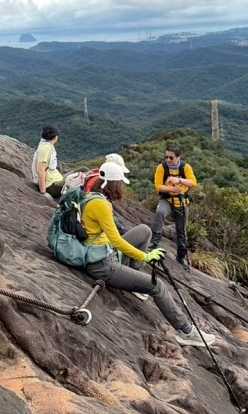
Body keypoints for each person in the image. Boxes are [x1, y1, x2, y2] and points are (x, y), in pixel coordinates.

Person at [81, 161, 217, 348]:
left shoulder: (93, 196)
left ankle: (134, 280)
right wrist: (146, 257)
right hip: (103, 264)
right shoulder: (101, 205)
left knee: (144, 230)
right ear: (114, 184)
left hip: (102, 252)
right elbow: (116, 240)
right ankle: (187, 332)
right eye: (121, 183)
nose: (122, 187)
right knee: (157, 286)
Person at [150, 147, 197, 270]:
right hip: (167, 200)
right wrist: (172, 189)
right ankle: (153, 242)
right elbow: (158, 187)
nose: (168, 160)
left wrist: (179, 180)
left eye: (171, 157)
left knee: (181, 231)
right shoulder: (162, 168)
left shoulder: (185, 168)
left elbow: (193, 182)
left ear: (178, 158)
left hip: (181, 202)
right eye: (166, 157)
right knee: (160, 212)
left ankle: (181, 257)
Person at [31, 125, 64, 201]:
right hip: (52, 185)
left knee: (83, 170)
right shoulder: (46, 148)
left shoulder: (45, 145)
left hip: (54, 180)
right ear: (55, 137)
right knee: (82, 175)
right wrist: (43, 192)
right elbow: (40, 170)